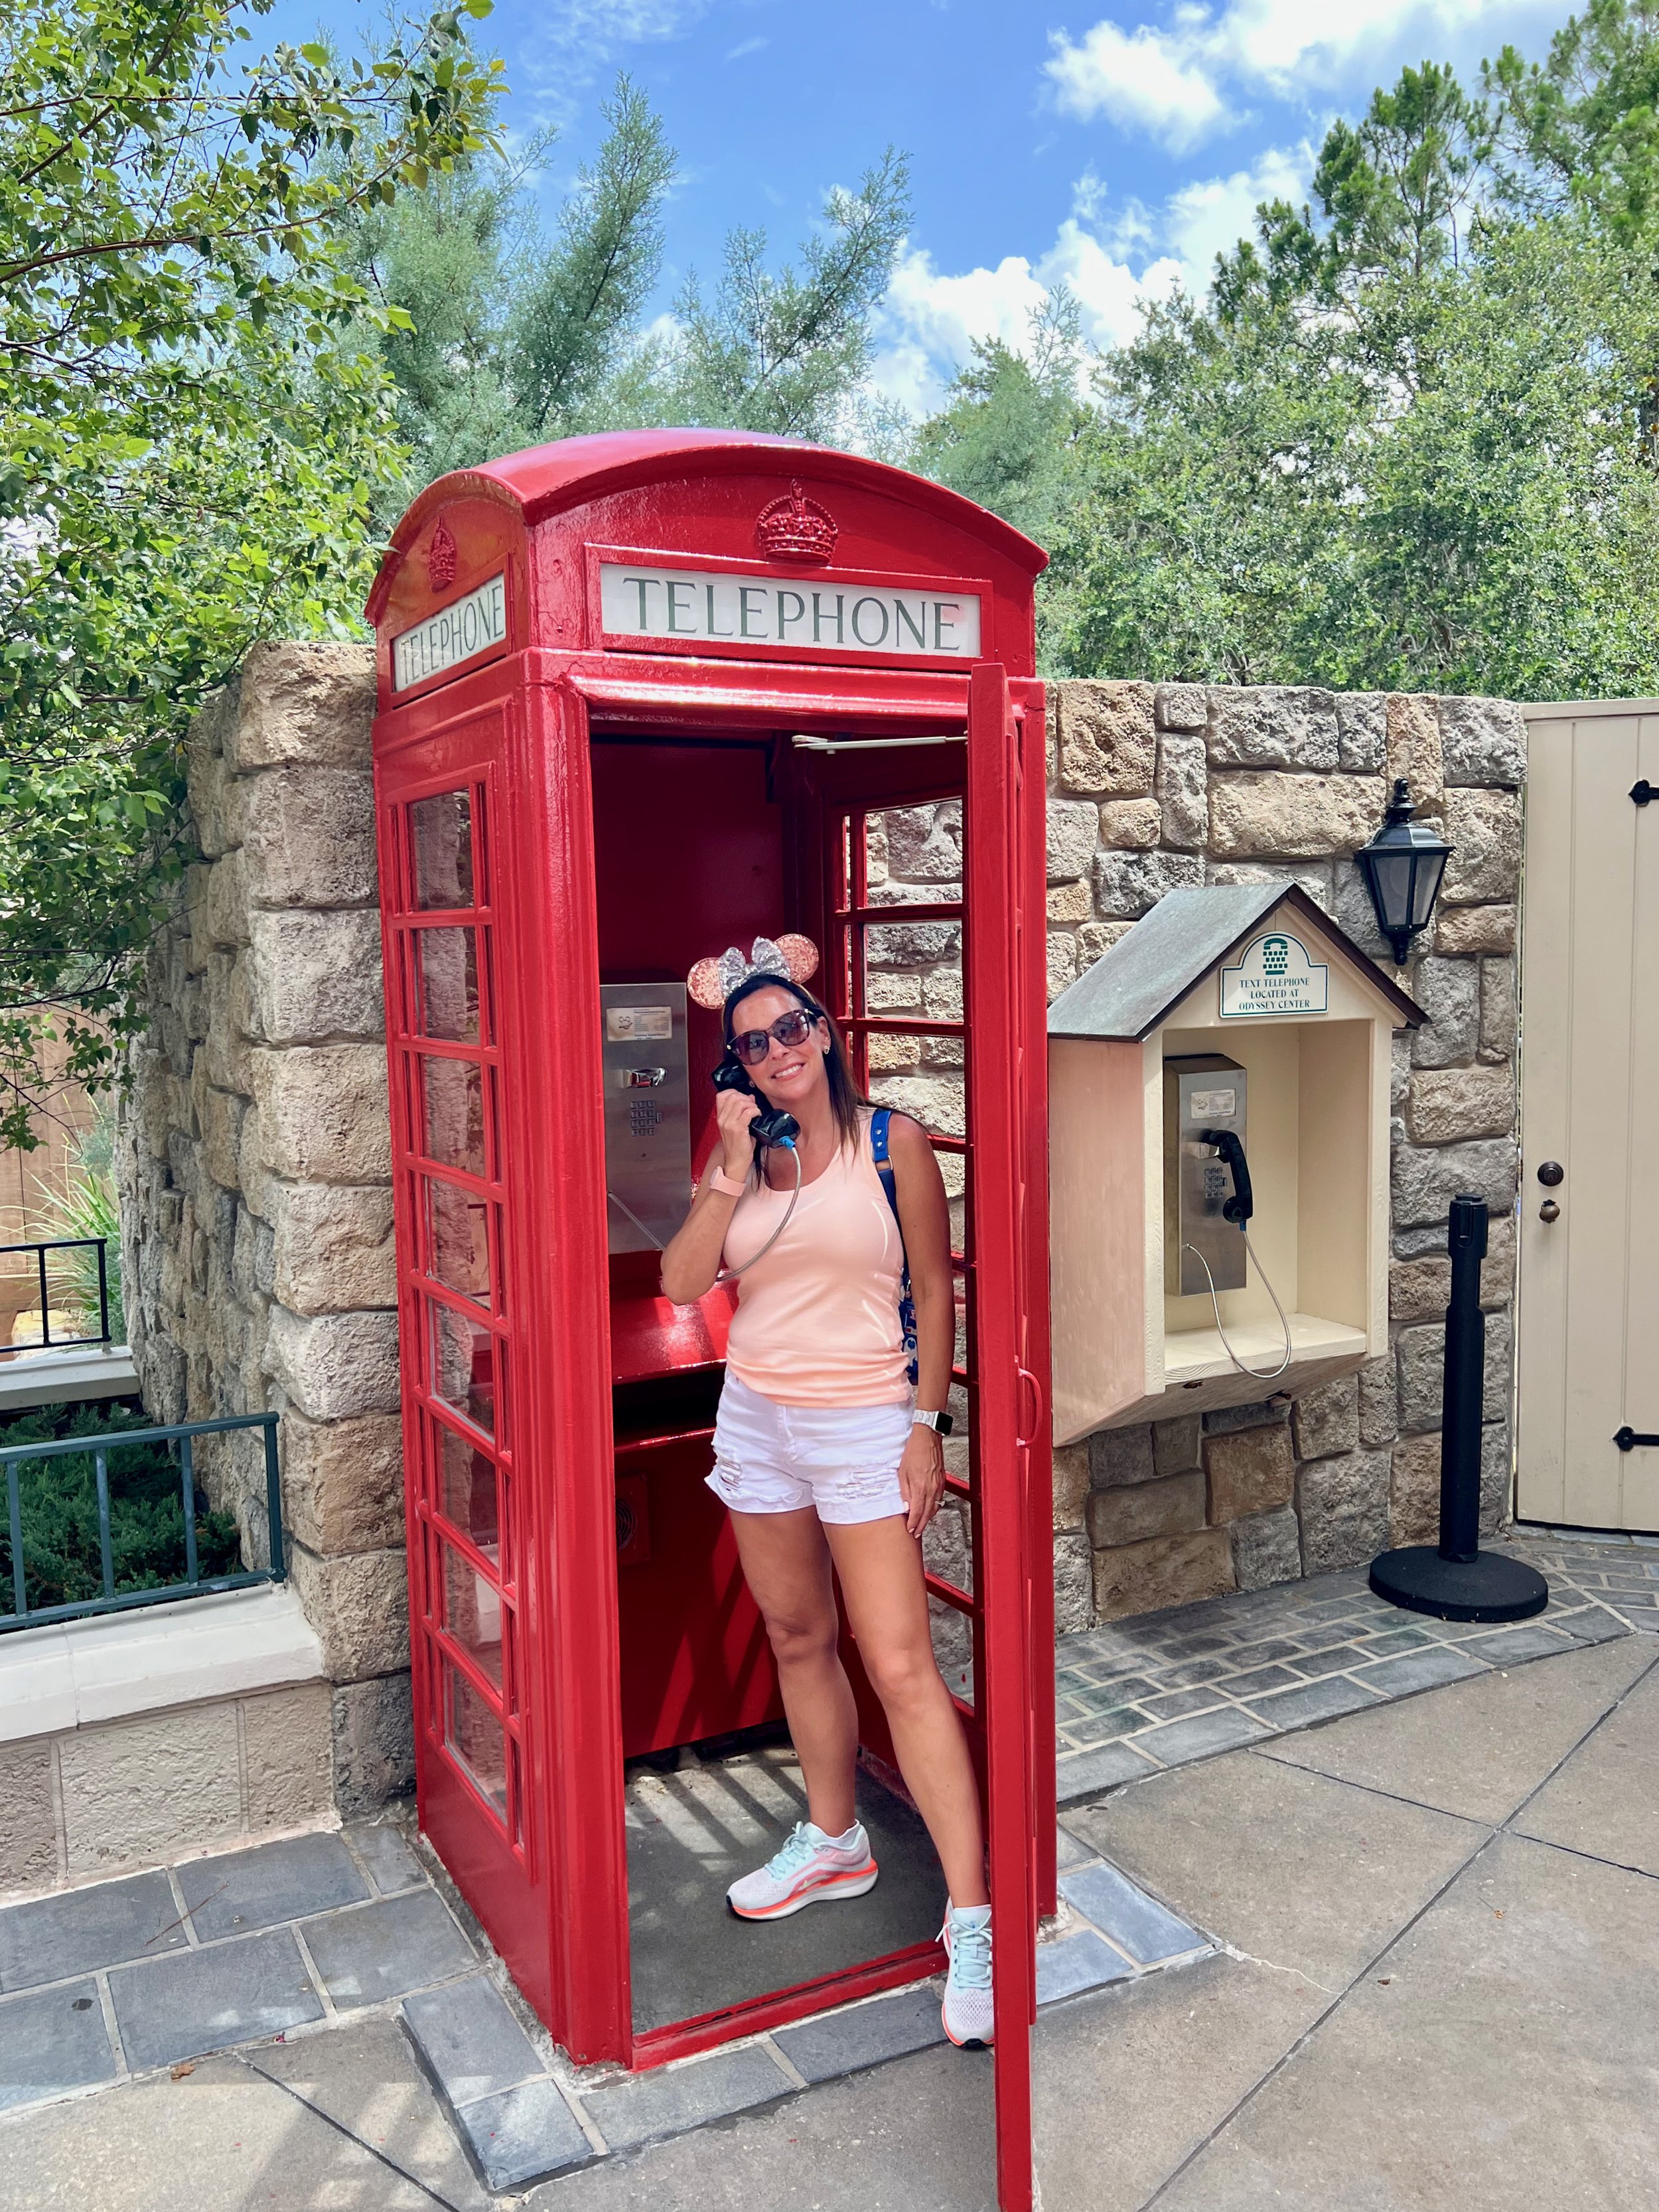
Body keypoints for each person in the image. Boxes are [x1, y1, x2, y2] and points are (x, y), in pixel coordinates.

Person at [660, 936, 993, 2050]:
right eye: (753, 1044)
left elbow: (940, 1287)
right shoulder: (742, 1157)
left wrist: (925, 1425)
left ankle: (975, 1914)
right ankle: (837, 1836)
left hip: (863, 1421)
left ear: (826, 1029)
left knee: (900, 1663)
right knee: (798, 1634)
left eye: (791, 1027)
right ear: (737, 1068)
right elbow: (678, 1280)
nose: (777, 1051)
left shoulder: (893, 1141)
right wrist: (724, 1164)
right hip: (759, 1416)